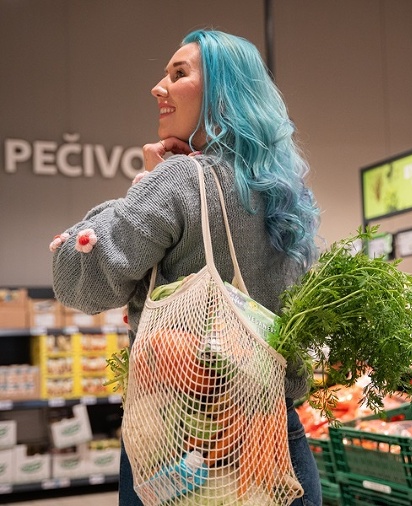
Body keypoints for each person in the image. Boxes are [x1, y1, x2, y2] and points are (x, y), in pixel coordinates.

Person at [50, 29, 322, 506]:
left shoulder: (177, 179)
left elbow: (82, 283)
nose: (158, 88)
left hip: (182, 447)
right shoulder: (287, 197)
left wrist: (145, 182)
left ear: (222, 95)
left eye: (178, 74)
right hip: (273, 438)